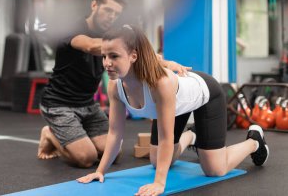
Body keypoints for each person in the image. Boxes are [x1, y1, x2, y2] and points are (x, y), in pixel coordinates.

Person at [77, 25, 269, 196]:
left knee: (214, 169)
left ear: (133, 56)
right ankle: (192, 136)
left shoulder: (159, 84)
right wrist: (100, 171)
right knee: (156, 160)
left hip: (205, 94)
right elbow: (115, 133)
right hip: (176, 104)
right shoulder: (115, 86)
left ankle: (254, 141)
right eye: (104, 56)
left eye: (114, 56)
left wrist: (160, 183)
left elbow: (166, 138)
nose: (107, 63)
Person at [38, 0, 191, 167]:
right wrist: (125, 42)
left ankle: (78, 136)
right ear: (94, 5)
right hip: (59, 104)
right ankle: (50, 133)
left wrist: (167, 63)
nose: (112, 17)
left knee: (113, 153)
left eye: (116, 13)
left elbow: (134, 54)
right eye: (108, 10)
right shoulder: (73, 30)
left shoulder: (112, 34)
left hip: (87, 104)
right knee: (85, 158)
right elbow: (91, 45)